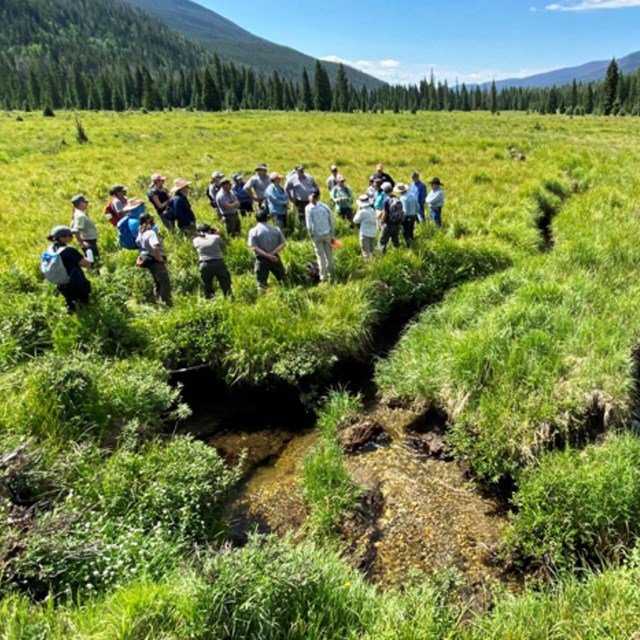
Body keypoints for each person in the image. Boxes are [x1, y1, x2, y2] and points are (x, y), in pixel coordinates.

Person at [43, 225, 92, 312]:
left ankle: (71, 317)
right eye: (70, 235)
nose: (72, 237)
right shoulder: (69, 250)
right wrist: (86, 250)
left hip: (62, 281)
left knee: (70, 303)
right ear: (62, 238)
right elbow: (87, 264)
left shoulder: (51, 248)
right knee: (84, 305)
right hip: (76, 282)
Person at [136, 213, 172, 306]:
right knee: (164, 283)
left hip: (149, 261)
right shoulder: (151, 233)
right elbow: (155, 247)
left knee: (157, 282)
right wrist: (159, 258)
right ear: (148, 221)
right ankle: (166, 304)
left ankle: (158, 301)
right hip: (156, 261)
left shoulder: (141, 234)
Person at [247, 208, 287, 291]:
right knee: (283, 279)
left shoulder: (253, 231)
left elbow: (254, 247)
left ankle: (263, 300)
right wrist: (272, 254)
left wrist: (267, 256)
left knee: (261, 283)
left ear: (256, 219)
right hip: (275, 258)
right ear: (267, 218)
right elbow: (283, 244)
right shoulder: (276, 229)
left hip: (261, 260)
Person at [192, 223, 232, 298]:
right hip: (218, 263)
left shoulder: (195, 240)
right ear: (210, 230)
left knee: (207, 285)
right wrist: (217, 234)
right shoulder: (216, 237)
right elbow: (224, 248)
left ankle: (210, 299)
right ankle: (228, 298)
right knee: (225, 282)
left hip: (204, 264)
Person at [305, 190, 335, 283]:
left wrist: (311, 236)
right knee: (329, 255)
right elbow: (331, 222)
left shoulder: (308, 208)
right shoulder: (325, 207)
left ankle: (324, 277)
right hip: (327, 234)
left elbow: (309, 225)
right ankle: (332, 274)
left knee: (320, 256)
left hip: (317, 235)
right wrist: (332, 235)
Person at [70, 194, 99, 261]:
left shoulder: (78, 213)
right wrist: (82, 243)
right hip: (88, 242)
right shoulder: (81, 216)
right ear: (80, 203)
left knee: (93, 259)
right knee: (93, 261)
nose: (87, 204)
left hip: (89, 241)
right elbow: (77, 230)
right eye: (85, 202)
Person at [378, 182, 402, 255]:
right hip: (397, 222)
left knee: (382, 240)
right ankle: (398, 254)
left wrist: (382, 221)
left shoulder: (386, 200)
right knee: (395, 239)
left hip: (388, 223)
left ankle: (382, 255)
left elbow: (385, 212)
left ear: (385, 190)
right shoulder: (396, 198)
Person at [395, 183, 419, 247]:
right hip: (413, 215)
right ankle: (413, 243)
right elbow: (417, 206)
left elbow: (405, 211)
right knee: (411, 230)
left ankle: (408, 245)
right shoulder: (412, 195)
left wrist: (401, 219)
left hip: (407, 217)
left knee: (406, 232)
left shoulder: (403, 198)